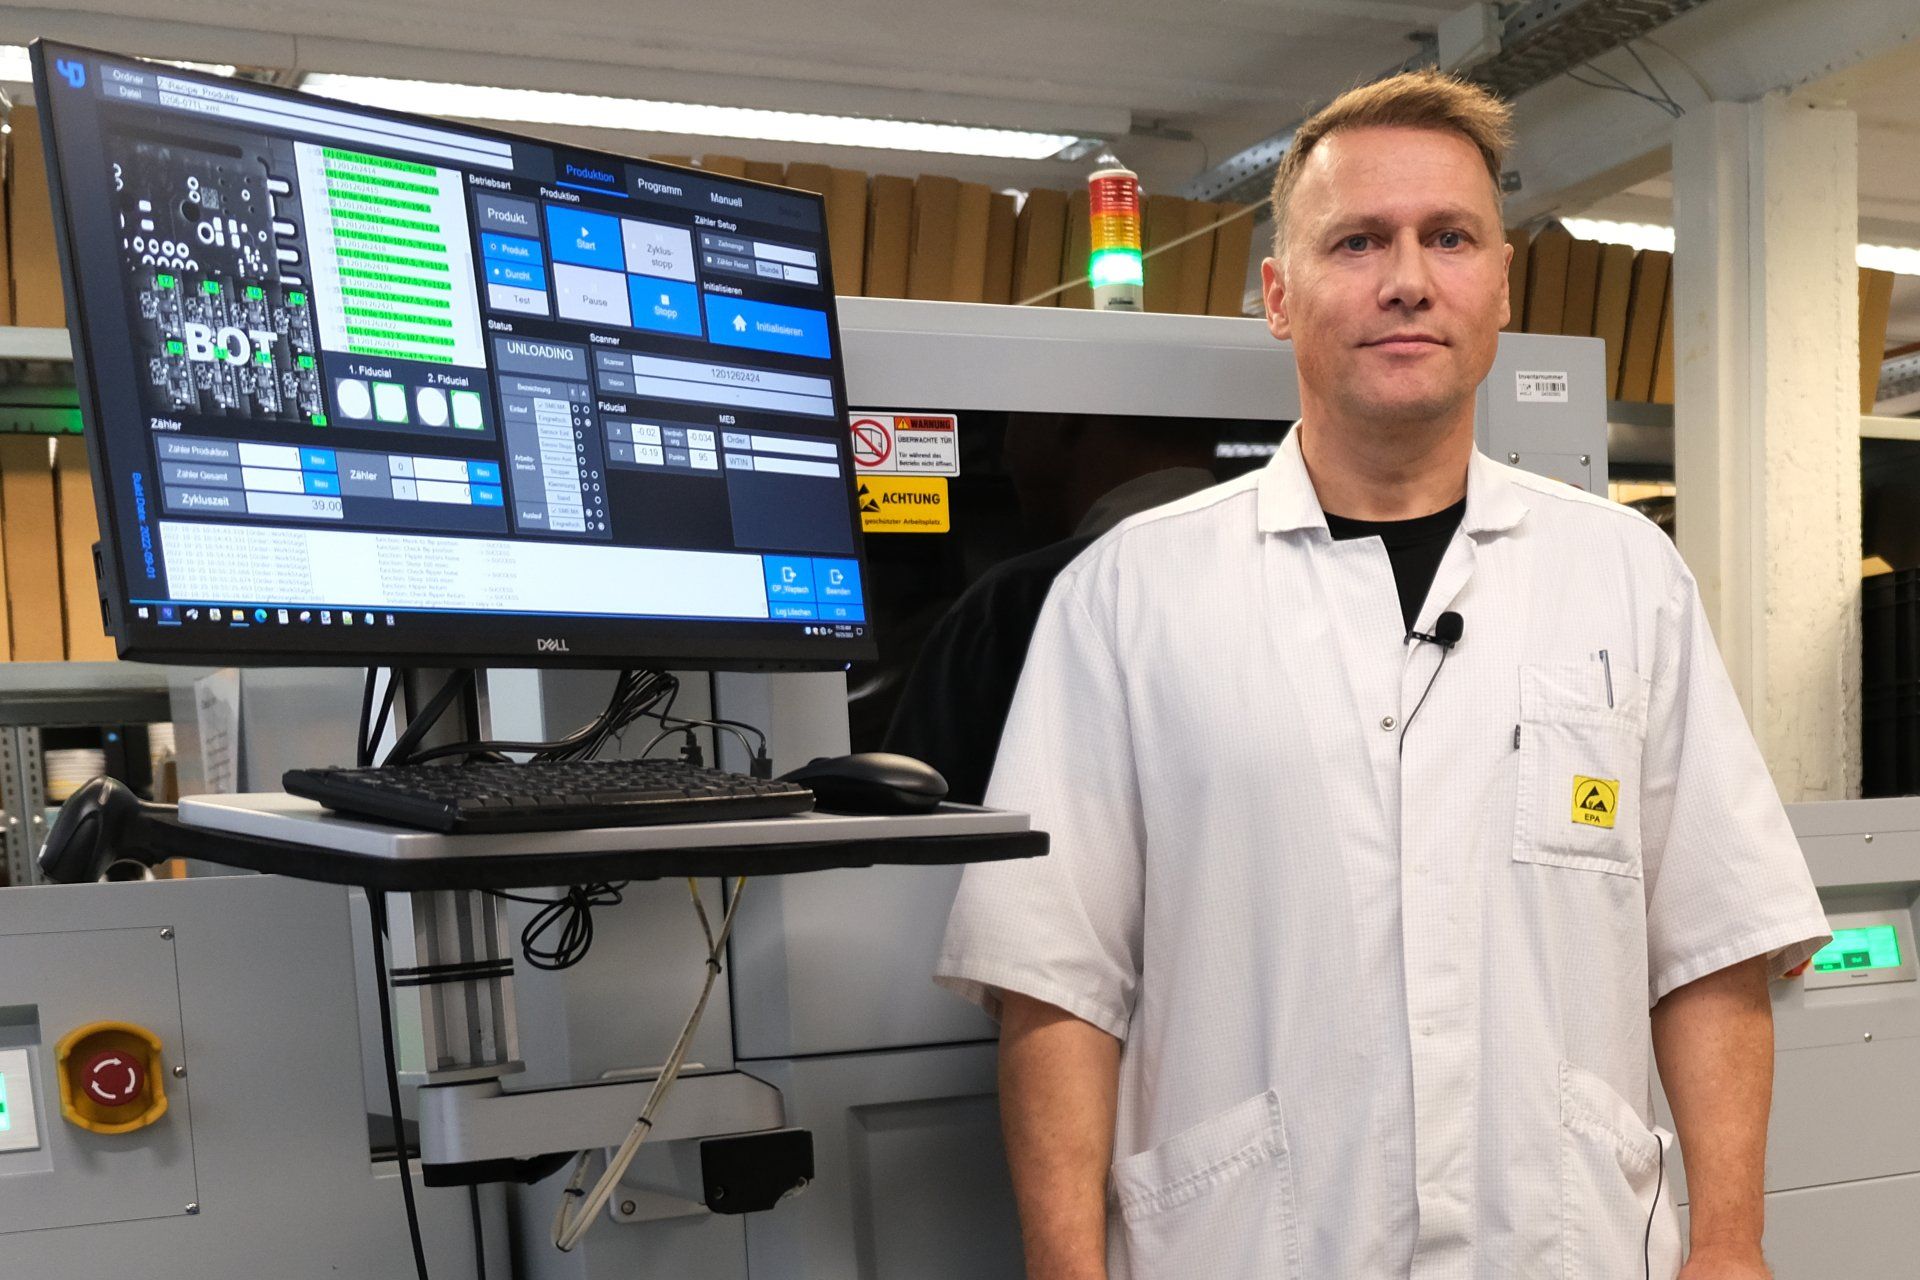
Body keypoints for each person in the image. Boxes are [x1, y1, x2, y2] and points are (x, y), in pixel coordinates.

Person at [934, 70, 1829, 1280]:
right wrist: (1063, 1265)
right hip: (1247, 1246)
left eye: (1448, 237)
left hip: (1568, 1245)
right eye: (1358, 240)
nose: (1407, 277)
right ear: (1278, 296)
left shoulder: (1627, 578)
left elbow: (1710, 945)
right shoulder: (1126, 600)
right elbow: (1055, 982)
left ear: (1499, 287)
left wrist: (1731, 1242)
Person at [883, 413, 1217, 802]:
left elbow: (907, 825)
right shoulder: (1291, 574)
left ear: (1062, 416)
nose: (1006, 448)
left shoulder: (1017, 604)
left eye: (1012, 415)